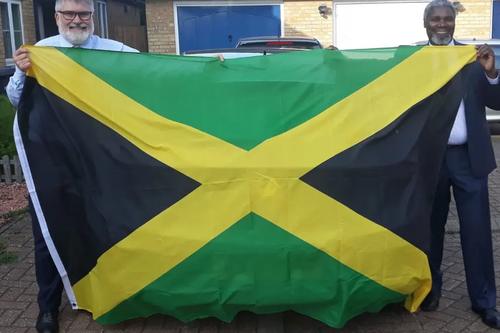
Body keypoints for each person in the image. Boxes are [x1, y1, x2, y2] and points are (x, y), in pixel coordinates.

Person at [6, 0, 139, 332]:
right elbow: (15, 100)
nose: (77, 20)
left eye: (84, 14)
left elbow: (156, 71)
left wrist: (207, 65)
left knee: (106, 227)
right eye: (70, 14)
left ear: (93, 17)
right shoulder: (41, 52)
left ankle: (106, 294)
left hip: (100, 160)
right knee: (47, 232)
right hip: (51, 160)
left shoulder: (114, 51)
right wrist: (22, 73)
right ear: (57, 17)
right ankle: (48, 307)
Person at [418, 0, 500, 329]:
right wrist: (336, 62)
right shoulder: (413, 61)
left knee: (478, 232)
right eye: (435, 19)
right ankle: (430, 291)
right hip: (430, 159)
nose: (442, 24)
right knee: (429, 230)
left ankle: (484, 302)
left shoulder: (474, 57)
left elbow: (496, 101)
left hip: (469, 158)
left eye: (447, 19)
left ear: (454, 23)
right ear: (425, 24)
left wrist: (492, 71)